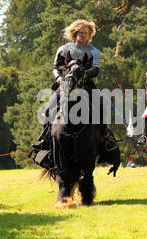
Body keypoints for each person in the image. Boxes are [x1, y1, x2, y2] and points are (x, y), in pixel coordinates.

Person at [31, 19, 116, 153]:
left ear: (90, 35)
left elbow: (96, 69)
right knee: (49, 108)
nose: (83, 35)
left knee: (101, 107)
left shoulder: (94, 51)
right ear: (75, 33)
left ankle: (105, 138)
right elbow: (55, 67)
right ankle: (44, 138)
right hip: (66, 84)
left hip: (86, 85)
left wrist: (82, 75)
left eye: (86, 33)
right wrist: (58, 77)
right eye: (80, 33)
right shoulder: (64, 49)